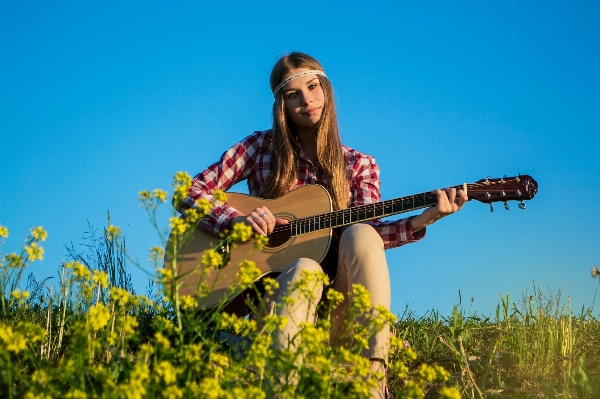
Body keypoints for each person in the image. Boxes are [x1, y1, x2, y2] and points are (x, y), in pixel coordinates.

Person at [179, 52, 468, 398]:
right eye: (293, 95)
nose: (307, 100)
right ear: (281, 106)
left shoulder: (360, 165)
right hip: (278, 309)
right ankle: (281, 385)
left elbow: (369, 239)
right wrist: (236, 221)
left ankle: (373, 378)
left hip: (338, 315)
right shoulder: (259, 148)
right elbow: (189, 191)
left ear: (326, 90)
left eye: (313, 87)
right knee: (303, 268)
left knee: (360, 231)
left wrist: (424, 219)